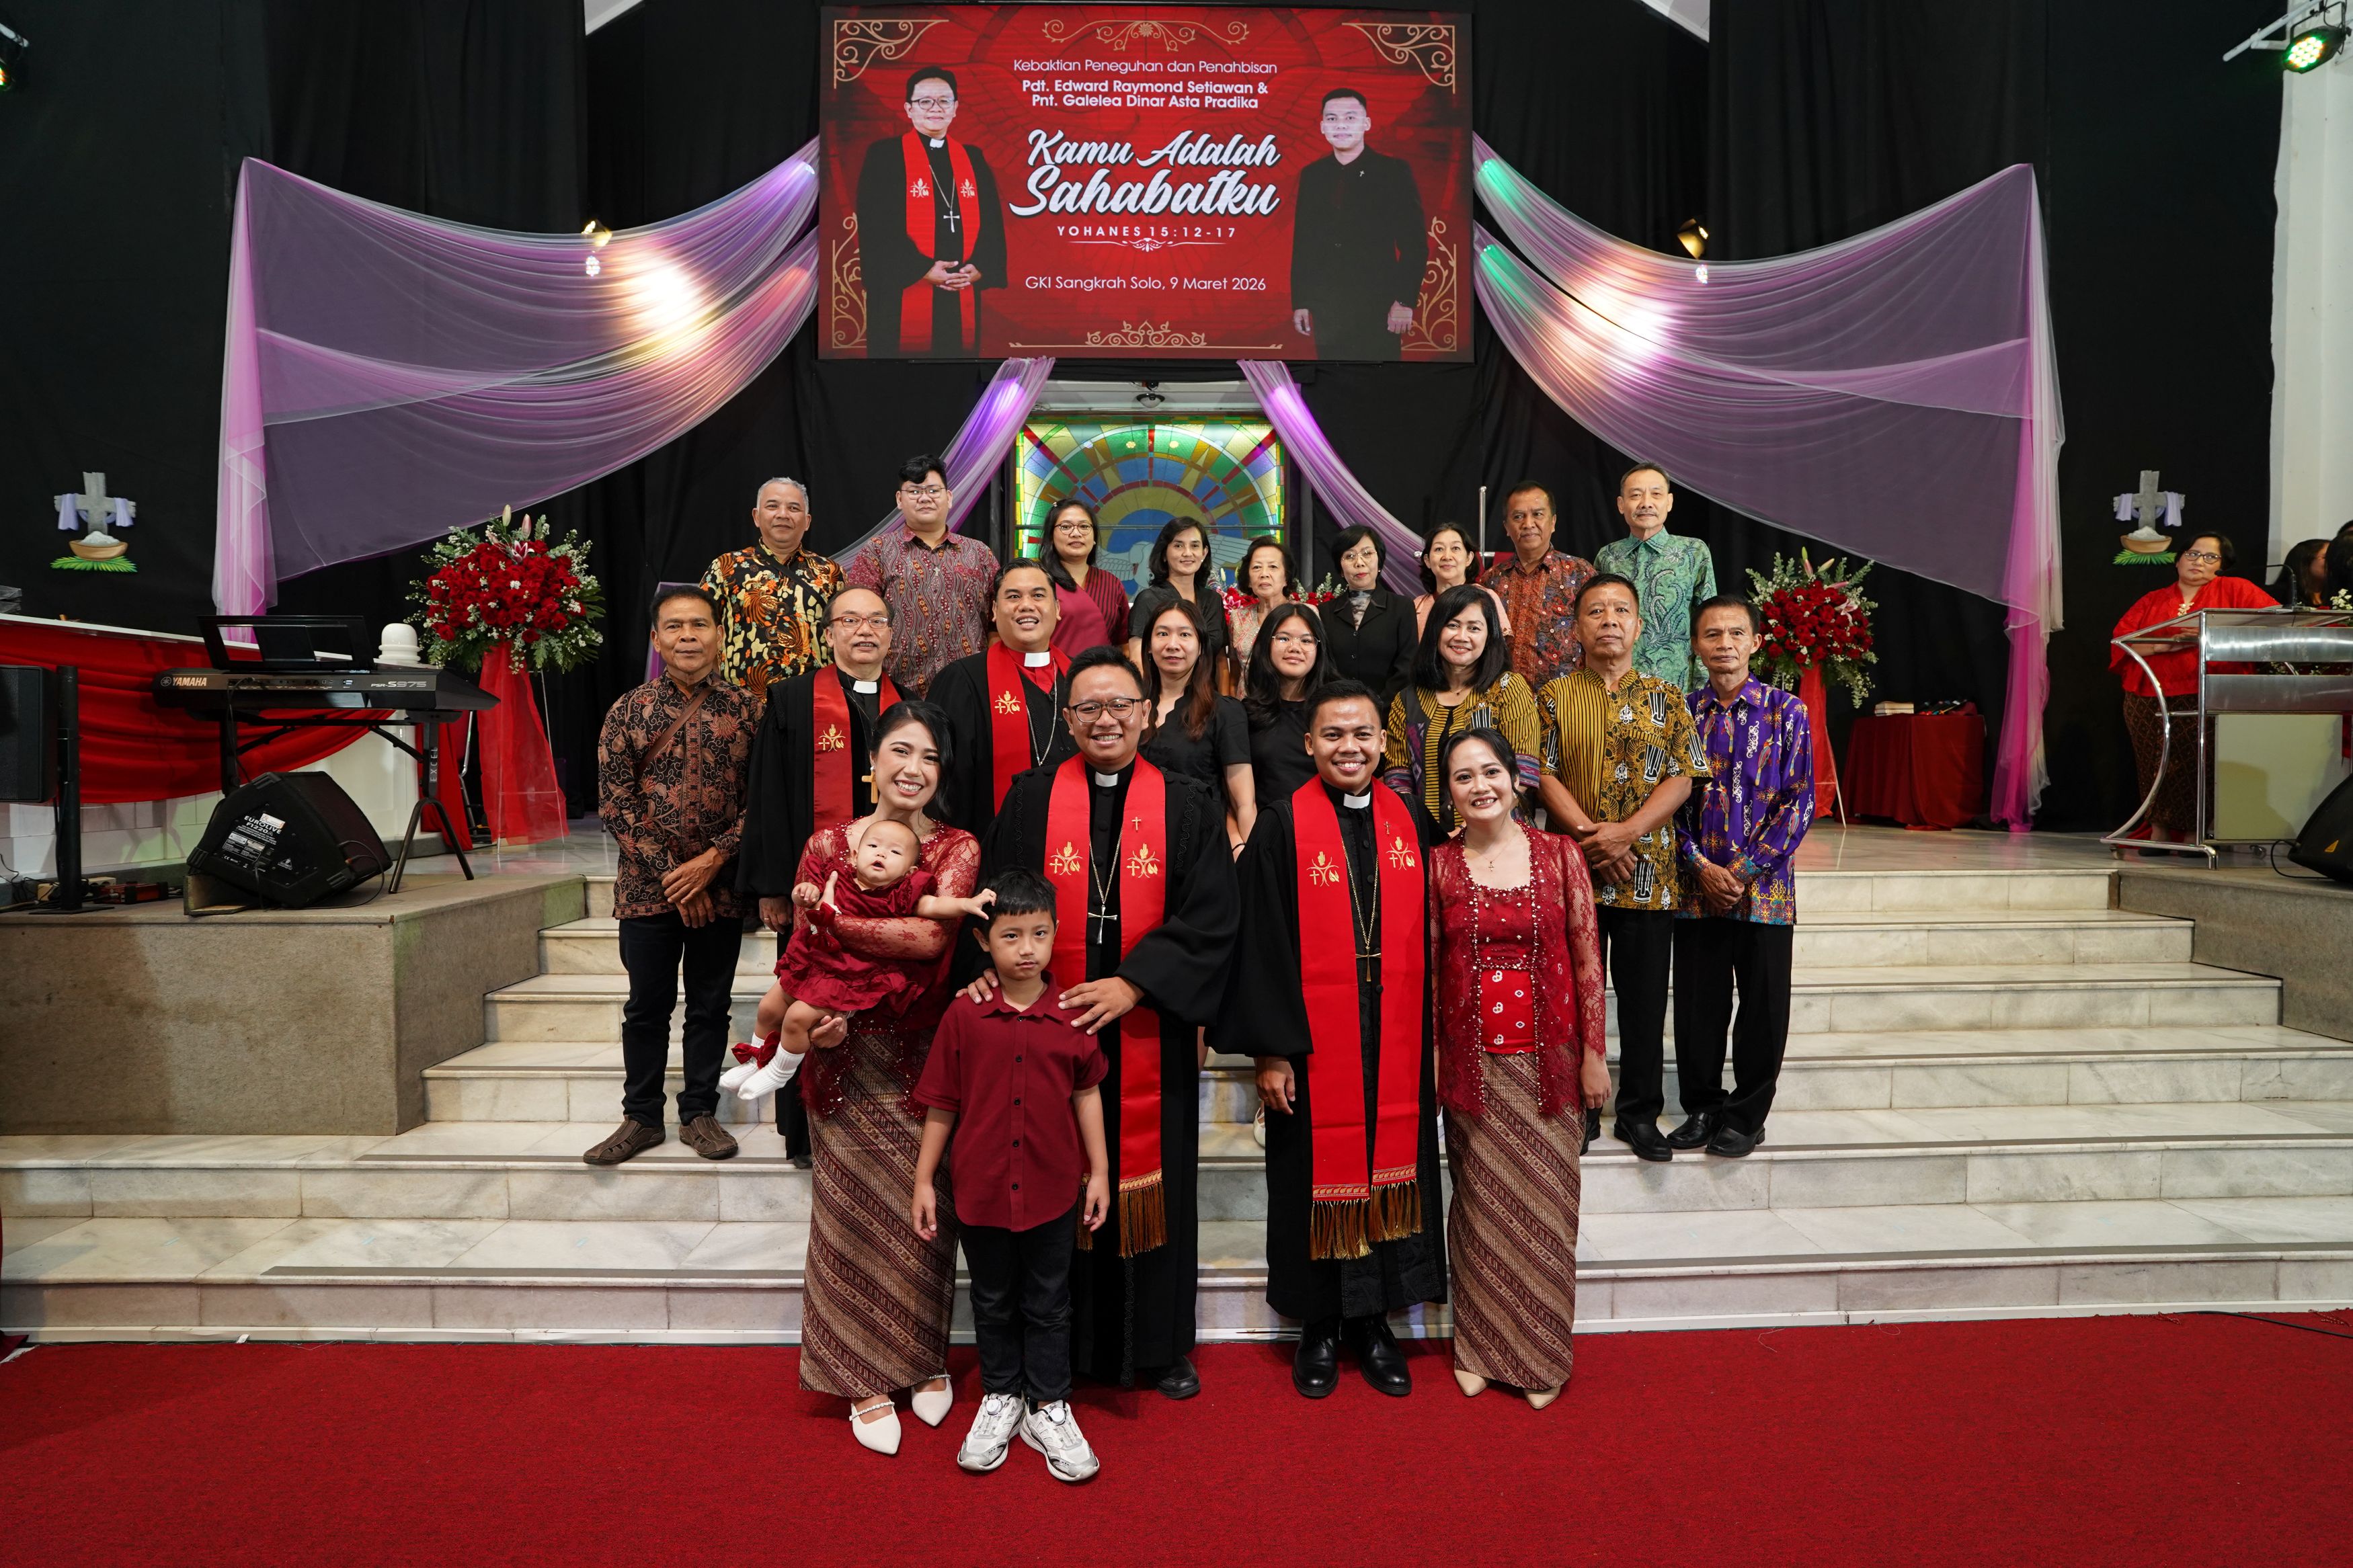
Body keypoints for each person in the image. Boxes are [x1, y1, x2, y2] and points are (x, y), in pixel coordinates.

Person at [974, 649, 1241, 1400]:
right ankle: (1062, 1345)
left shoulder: (1187, 802)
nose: (1105, 720)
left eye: (1119, 705)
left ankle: (1160, 1344)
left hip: (1148, 1026)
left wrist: (1135, 982)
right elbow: (993, 900)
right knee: (1057, 1178)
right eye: (1088, 707)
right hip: (1049, 1030)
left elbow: (1213, 915)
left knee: (1155, 1184)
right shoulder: (1029, 800)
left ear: (1145, 713)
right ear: (1068, 718)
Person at [1220, 680, 1445, 1400]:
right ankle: (1318, 1323)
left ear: (1383, 742)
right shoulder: (1281, 825)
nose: (1349, 747)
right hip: (1313, 1041)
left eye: (1362, 734)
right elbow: (1259, 944)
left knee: (1394, 1169)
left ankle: (1375, 1321)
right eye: (1334, 734)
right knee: (1308, 1176)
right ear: (1309, 743)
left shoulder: (1410, 818)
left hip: (1395, 1032)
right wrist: (1270, 1050)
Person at [791, 702, 980, 1455]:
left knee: (923, 1214)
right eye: (901, 751)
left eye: (930, 757)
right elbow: (801, 939)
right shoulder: (826, 843)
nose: (914, 768)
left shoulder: (956, 847)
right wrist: (817, 1003)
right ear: (871, 760)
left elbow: (928, 938)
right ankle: (858, 1375)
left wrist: (836, 922)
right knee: (847, 1213)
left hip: (921, 1053)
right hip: (840, 1045)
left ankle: (921, 1356)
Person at [1429, 727, 1609, 1407]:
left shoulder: (1561, 855)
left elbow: (1587, 958)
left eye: (1490, 772)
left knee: (1547, 1209)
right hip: (1473, 1066)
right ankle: (1477, 1348)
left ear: (1514, 778)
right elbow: (1431, 974)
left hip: (1549, 1065)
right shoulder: (1439, 865)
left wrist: (1594, 1054)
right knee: (1479, 1209)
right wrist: (1436, 1057)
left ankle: (1541, 1356)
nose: (1480, 786)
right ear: (1448, 793)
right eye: (1463, 777)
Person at [911, 868, 1109, 1483]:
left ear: (1056, 933)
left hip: (1053, 1189)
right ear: (984, 941)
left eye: (1040, 934)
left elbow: (1088, 1095)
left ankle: (1048, 1404)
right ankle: (1001, 1394)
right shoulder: (963, 1015)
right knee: (993, 1300)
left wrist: (1100, 1171)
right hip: (981, 1188)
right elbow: (943, 1103)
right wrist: (924, 1180)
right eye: (1011, 936)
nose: (1027, 949)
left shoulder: (1073, 1015)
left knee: (1050, 1301)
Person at [1536, 575, 1708, 1163]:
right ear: (1576, 627)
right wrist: (1593, 837)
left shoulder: (1669, 697)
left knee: (1643, 1000)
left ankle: (1639, 1113)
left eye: (1620, 611)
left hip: (1649, 875)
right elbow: (1542, 773)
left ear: (1638, 625)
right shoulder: (1554, 697)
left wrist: (1627, 832)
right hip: (1576, 871)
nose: (1609, 620)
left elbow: (1683, 777)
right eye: (1596, 611)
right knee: (1571, 996)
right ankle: (1578, 1109)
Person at [586, 587, 759, 1167]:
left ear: (720, 635)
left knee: (710, 1006)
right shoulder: (627, 710)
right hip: (646, 891)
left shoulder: (749, 710)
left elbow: (763, 801)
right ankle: (640, 1117)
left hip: (722, 887)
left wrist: (711, 863)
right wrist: (674, 878)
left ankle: (699, 1112)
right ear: (656, 639)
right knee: (646, 1007)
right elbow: (615, 803)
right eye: (676, 626)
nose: (689, 635)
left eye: (700, 624)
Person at [735, 585, 906, 1161]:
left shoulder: (907, 705)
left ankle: (865, 1122)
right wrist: (772, 887)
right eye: (850, 620)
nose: (864, 630)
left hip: (881, 894)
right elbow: (768, 794)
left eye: (875, 620)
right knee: (804, 998)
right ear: (828, 633)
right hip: (810, 892)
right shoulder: (791, 700)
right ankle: (805, 1132)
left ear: (891, 634)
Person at [1671, 596, 1814, 1159]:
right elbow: (1668, 804)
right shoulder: (1682, 713)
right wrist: (1700, 866)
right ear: (1696, 645)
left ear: (1756, 641)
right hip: (1696, 888)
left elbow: (1799, 802)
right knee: (1698, 1006)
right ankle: (1702, 1108)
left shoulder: (1788, 711)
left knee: (1763, 1008)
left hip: (1766, 892)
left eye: (1736, 633)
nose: (1724, 643)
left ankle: (1748, 1116)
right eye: (1712, 634)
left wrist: (1743, 870)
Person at [737, 817, 995, 1100]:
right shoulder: (837, 878)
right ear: (855, 855)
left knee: (797, 1017)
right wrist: (804, 894)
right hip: (815, 963)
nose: (882, 853)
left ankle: (779, 1072)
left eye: (895, 852)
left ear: (910, 871)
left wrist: (967, 904)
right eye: (874, 846)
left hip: (850, 974)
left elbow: (934, 905)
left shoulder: (900, 894)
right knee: (768, 1007)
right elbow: (807, 903)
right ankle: (754, 1061)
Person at [2108, 531, 2278, 843]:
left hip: (2208, 691)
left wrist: (2209, 638)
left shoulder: (2236, 589)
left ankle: (2193, 833)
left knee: (2196, 764)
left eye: (2210, 557)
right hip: (2149, 694)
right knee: (2154, 763)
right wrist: (2163, 646)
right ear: (2178, 560)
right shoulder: (2153, 599)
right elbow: (2123, 642)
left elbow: (2273, 624)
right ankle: (2158, 832)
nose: (2199, 561)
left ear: (2221, 566)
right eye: (2192, 554)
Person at [852, 65, 1007, 356]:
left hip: (961, 285)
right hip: (903, 288)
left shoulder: (972, 158)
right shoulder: (885, 156)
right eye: (925, 101)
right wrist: (922, 269)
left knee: (957, 364)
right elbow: (876, 224)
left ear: (955, 108)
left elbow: (992, 222)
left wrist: (980, 267)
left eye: (944, 101)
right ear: (909, 109)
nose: (935, 108)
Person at [1382, 583, 1542, 835]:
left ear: (1489, 636)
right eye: (1452, 625)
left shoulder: (1508, 688)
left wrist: (1467, 832)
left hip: (1498, 836)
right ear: (1435, 631)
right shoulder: (1407, 700)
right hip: (1427, 839)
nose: (1461, 636)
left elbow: (1524, 773)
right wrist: (1423, 831)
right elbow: (1398, 778)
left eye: (1474, 628)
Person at [930, 559, 1077, 831]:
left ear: (1057, 609)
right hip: (993, 840)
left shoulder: (1083, 679)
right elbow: (947, 784)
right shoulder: (962, 680)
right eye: (1013, 597)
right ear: (995, 612)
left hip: (1076, 834)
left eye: (1038, 595)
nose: (1026, 605)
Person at [1288, 87, 1428, 362]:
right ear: (1322, 127)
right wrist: (1302, 301)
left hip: (1379, 302)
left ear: (1367, 123)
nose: (1340, 125)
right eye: (1332, 119)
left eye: (1350, 118)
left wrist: (1404, 301)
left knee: (1378, 378)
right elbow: (1304, 243)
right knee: (1332, 376)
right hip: (1327, 306)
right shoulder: (1313, 175)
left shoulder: (1392, 172)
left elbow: (1415, 245)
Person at [846, 454, 997, 694]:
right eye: (915, 491)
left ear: (949, 497)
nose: (925, 498)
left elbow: (998, 622)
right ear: (899, 499)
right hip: (897, 689)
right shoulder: (877, 551)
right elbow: (857, 618)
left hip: (971, 689)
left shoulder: (979, 553)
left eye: (933, 491)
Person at [699, 477, 847, 700]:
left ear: (807, 521)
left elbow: (845, 635)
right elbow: (701, 629)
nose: (783, 514)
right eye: (772, 506)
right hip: (742, 704)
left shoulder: (831, 573)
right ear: (756, 517)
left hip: (816, 702)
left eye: (793, 508)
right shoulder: (726, 567)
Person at [1138, 595, 1257, 852]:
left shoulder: (1225, 712)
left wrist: (1250, 859)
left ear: (1202, 646)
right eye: (1162, 634)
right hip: (1137, 845)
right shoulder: (1128, 708)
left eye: (1185, 635)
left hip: (1201, 847)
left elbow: (1244, 803)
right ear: (1148, 645)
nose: (1173, 645)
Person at [1593, 464, 1716, 688]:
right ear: (1621, 504)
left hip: (1677, 686)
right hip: (1616, 684)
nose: (1646, 503)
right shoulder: (1608, 556)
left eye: (1656, 494)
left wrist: (1703, 688)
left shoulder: (1693, 552)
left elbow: (1708, 623)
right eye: (1636, 495)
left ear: (1669, 502)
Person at [1490, 482, 1597, 692]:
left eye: (1538, 514)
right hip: (1504, 702)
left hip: (1567, 700)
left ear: (1553, 522)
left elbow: (1598, 637)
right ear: (1506, 527)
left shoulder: (1580, 573)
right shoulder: (1491, 581)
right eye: (1518, 517)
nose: (1528, 524)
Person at [1241, 600, 1330, 807]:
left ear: (1319, 649)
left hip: (1327, 822)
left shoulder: (1333, 711)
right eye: (1283, 638)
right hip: (1265, 822)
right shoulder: (1245, 714)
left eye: (1306, 641)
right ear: (1266, 644)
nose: (1295, 648)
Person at [1320, 524, 1417, 705]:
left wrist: (1377, 706)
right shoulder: (1325, 612)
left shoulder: (1402, 607)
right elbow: (1324, 667)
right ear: (1340, 568)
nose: (1359, 563)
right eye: (1350, 556)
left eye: (1367, 553)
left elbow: (1407, 667)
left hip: (1388, 710)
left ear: (1379, 561)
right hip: (1337, 708)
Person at [1125, 517, 1233, 673]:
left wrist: (1223, 691)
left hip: (1208, 689)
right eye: (1178, 546)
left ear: (1204, 553)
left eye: (1194, 546)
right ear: (1164, 554)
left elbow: (1221, 660)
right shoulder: (1148, 599)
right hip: (1161, 688)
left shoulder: (1213, 600)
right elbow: (1138, 661)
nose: (1187, 553)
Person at [1041, 497, 1126, 657]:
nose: (1076, 533)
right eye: (1066, 527)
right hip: (1050, 670)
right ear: (1051, 536)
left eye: (1084, 526)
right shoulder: (1038, 580)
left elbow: (1124, 643)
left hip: (1102, 670)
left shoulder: (1111, 583)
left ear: (1094, 538)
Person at [1412, 521, 1511, 639]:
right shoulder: (1417, 606)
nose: (1447, 557)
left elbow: (1500, 646)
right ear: (1427, 560)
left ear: (1469, 558)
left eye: (1455, 548)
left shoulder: (1486, 598)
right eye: (1439, 549)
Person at [1228, 536, 1300, 675]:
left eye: (1273, 567)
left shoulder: (1305, 614)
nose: (1264, 574)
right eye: (1257, 567)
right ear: (1249, 580)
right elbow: (1235, 671)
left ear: (1286, 577)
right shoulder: (1238, 618)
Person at [2271, 538, 2329, 608]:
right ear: (2305, 562)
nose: (2333, 561)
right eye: (2326, 557)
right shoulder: (2280, 594)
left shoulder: (2335, 594)